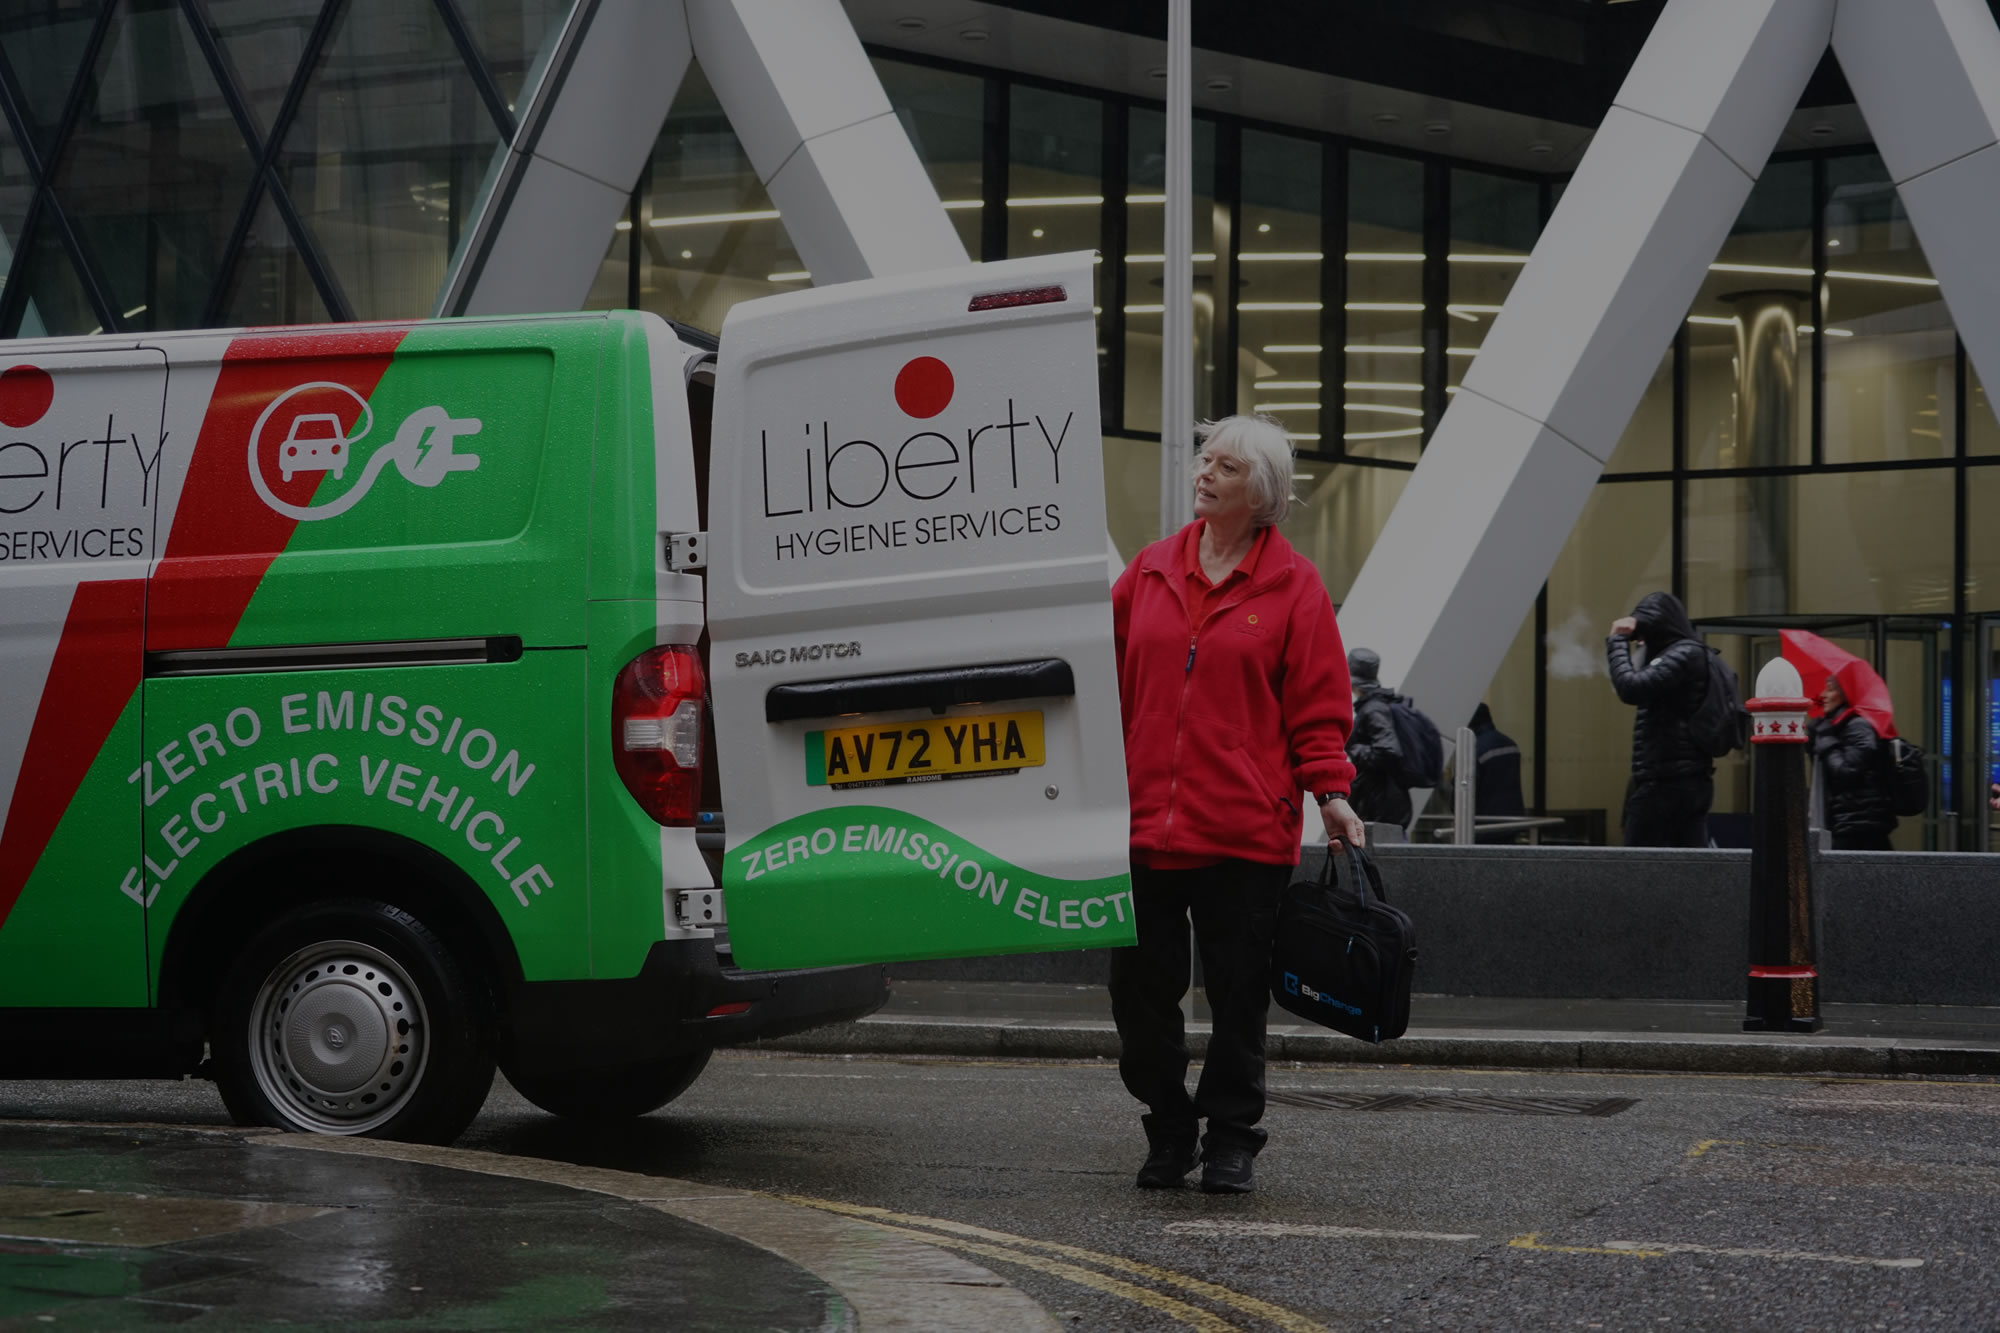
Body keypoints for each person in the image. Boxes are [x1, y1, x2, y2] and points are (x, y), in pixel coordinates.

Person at [1109, 414, 1364, 1196]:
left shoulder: (1295, 586)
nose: (1204, 474)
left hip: (1246, 834)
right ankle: (1167, 1121)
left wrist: (1332, 793)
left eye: (1223, 466)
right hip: (1144, 828)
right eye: (1203, 461)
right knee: (1139, 998)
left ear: (1262, 492)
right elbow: (1098, 683)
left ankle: (1230, 1137)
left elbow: (1316, 706)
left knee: (1237, 998)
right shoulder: (1149, 571)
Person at [1606, 591, 1712, 848]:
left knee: (1638, 867)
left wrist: (1618, 641)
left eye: (1643, 635)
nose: (1641, 642)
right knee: (1691, 869)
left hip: (1666, 782)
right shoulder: (1686, 654)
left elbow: (1630, 688)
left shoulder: (1683, 654)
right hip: (1684, 780)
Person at [1809, 673, 1896, 851]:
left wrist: (1827, 742)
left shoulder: (1858, 726)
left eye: (1830, 689)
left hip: (1861, 824)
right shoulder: (1837, 726)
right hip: (1849, 821)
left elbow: (1847, 771)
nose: (1823, 695)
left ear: (1846, 694)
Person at [1346, 647, 1413, 831]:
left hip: (1380, 807)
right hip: (1384, 802)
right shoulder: (1379, 705)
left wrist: (1354, 748)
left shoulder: (1373, 709)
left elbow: (1388, 751)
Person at [1469, 702, 1526, 841]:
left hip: (1485, 823)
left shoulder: (1474, 749)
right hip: (1511, 819)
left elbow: (1469, 785)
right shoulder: (1510, 744)